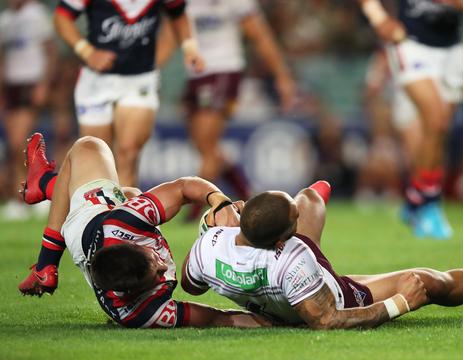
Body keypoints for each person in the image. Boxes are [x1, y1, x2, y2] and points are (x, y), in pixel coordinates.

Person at [182, 182, 463, 329]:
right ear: (288, 238)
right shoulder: (296, 255)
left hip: (280, 288)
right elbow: (327, 321)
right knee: (428, 281)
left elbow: (191, 285)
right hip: (326, 294)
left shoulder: (206, 245)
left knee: (311, 198)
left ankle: (311, 199)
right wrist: (400, 304)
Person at [17, 133, 268, 328]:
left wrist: (219, 200)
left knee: (90, 148)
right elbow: (216, 318)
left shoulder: (125, 222)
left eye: (153, 259)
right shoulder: (143, 313)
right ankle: (43, 193)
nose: (163, 266)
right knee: (117, 181)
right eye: (156, 275)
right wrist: (269, 321)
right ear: (131, 293)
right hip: (90, 240)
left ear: (134, 243)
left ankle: (45, 261)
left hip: (89, 220)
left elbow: (182, 188)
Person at [357, 0, 463, 239]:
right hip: (410, 43)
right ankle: (429, 203)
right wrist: (378, 17)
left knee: (438, 133)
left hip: (454, 51)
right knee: (436, 122)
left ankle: (416, 198)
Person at [157, 0, 296, 213]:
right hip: (195, 75)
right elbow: (169, 37)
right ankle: (246, 193)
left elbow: (260, 35)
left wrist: (282, 76)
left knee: (207, 144)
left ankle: (198, 213)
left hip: (224, 70)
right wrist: (149, 73)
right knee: (205, 147)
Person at [53, 0, 204, 187]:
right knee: (95, 155)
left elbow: (178, 14)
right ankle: (98, 212)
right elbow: (62, 17)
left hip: (139, 78)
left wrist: (190, 48)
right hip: (96, 80)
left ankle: (123, 214)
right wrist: (87, 52)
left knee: (129, 153)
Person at [0, 0, 56, 220]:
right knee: (17, 147)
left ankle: (28, 195)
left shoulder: (36, 15)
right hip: (12, 86)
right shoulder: (5, 19)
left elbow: (51, 51)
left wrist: (44, 83)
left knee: (18, 142)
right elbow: (3, 58)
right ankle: (27, 195)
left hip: (31, 83)